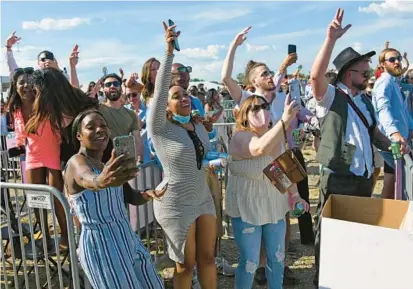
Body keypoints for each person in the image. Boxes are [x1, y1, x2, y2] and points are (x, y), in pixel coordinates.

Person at [310, 8, 396, 286]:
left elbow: (374, 135)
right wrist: (330, 39)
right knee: (331, 234)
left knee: (357, 234)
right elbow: (315, 77)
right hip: (338, 178)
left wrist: (398, 146)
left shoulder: (364, 100)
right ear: (349, 74)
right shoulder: (330, 97)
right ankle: (324, 280)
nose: (369, 75)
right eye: (364, 71)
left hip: (363, 178)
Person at [63, 109, 164, 289]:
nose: (99, 130)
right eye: (91, 127)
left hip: (127, 237)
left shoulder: (107, 166)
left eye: (103, 126)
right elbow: (88, 179)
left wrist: (149, 194)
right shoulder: (76, 162)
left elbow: (131, 196)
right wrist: (100, 180)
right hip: (100, 244)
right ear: (79, 135)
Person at [149, 22, 217, 289]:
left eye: (186, 94)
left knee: (208, 259)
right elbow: (160, 88)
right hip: (176, 203)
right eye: (176, 96)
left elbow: (201, 158)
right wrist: (168, 52)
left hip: (202, 197)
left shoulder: (198, 125)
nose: (184, 97)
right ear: (165, 106)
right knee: (185, 265)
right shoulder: (161, 128)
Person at [226, 94, 308, 289]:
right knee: (251, 261)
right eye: (254, 108)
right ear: (244, 115)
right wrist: (284, 121)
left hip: (274, 206)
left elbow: (285, 169)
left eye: (264, 106)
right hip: (247, 208)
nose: (261, 111)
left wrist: (295, 195)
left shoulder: (276, 136)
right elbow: (259, 148)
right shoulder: (241, 136)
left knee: (277, 257)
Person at [372, 48, 413, 199]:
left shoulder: (394, 82)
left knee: (392, 180)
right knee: (399, 182)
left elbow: (403, 112)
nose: (397, 62)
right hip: (392, 142)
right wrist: (394, 133)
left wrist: (411, 128)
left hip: (400, 140)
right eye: (392, 59)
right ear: (382, 64)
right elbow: (383, 109)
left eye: (398, 58)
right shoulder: (384, 82)